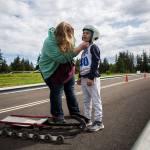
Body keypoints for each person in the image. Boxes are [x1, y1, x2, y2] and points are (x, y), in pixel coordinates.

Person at [38, 21, 89, 123]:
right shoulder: (49, 42)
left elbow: (70, 51)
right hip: (51, 71)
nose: (71, 38)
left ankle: (75, 112)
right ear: (61, 35)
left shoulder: (70, 35)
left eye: (71, 35)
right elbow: (62, 58)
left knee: (70, 91)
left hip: (66, 69)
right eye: (68, 36)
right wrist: (79, 48)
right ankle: (57, 116)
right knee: (57, 92)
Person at [77, 25, 104, 131]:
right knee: (86, 100)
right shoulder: (84, 50)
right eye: (83, 32)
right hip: (84, 78)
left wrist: (91, 77)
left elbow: (96, 62)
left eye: (87, 33)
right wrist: (79, 76)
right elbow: (83, 65)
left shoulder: (93, 47)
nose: (84, 34)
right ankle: (87, 120)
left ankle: (98, 122)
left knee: (96, 100)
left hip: (91, 78)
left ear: (93, 35)